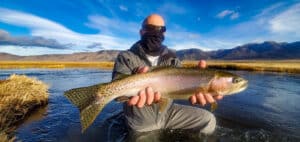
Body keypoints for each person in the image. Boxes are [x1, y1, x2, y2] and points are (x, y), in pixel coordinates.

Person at [112, 14, 223, 137]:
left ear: (164, 33)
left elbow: (184, 81)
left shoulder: (172, 58)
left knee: (208, 120)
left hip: (168, 113)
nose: (156, 32)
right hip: (141, 123)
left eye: (161, 29)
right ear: (141, 31)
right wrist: (135, 82)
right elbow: (117, 91)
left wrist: (199, 81)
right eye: (151, 28)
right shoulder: (126, 57)